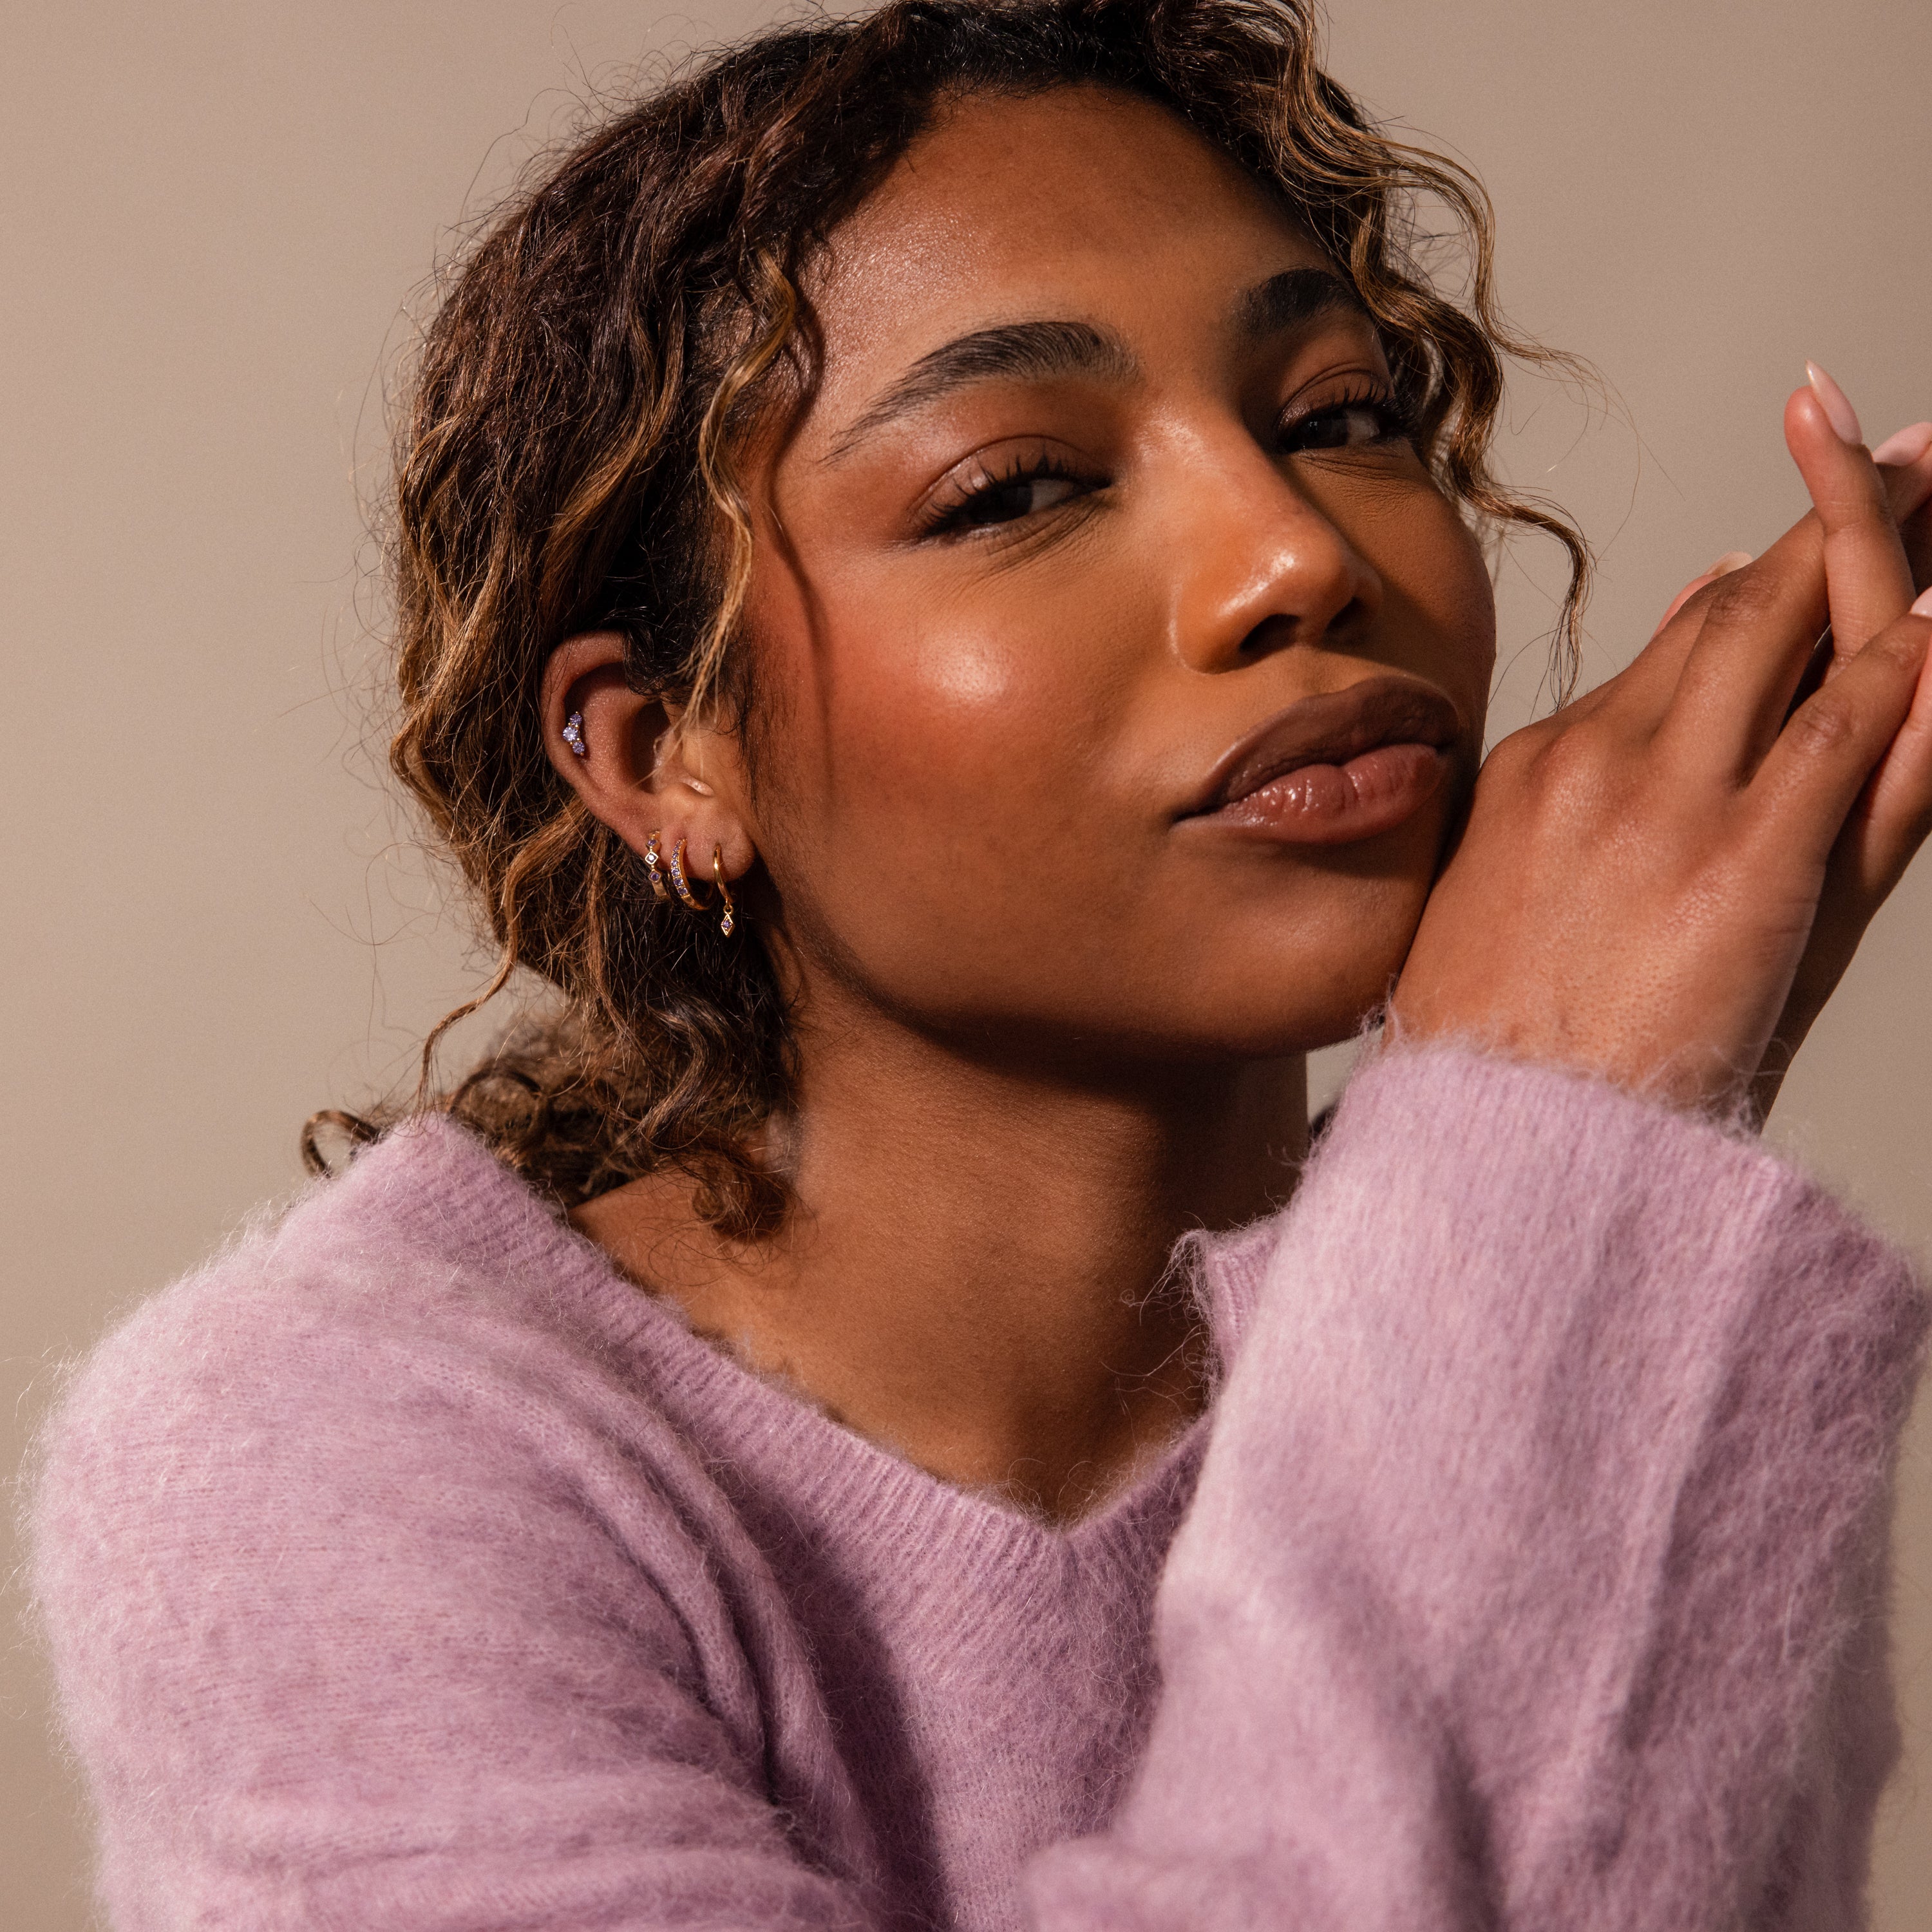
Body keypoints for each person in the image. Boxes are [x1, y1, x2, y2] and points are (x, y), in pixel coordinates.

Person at [30, 1, 1932, 1926]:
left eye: (1343, 418)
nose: (1292, 557)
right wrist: (1559, 1169)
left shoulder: (1616, 1298)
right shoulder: (317, 1462)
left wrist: (1603, 1210)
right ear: (661, 751)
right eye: (1019, 486)